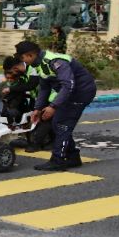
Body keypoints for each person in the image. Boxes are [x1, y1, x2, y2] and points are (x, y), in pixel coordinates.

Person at [15, 41, 97, 170]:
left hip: (81, 92)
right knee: (57, 123)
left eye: (22, 58)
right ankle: (73, 157)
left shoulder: (55, 62)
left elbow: (68, 84)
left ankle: (58, 160)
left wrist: (53, 106)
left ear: (30, 55)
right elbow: (44, 88)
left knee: (62, 124)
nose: (22, 61)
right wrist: (37, 108)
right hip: (70, 93)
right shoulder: (40, 64)